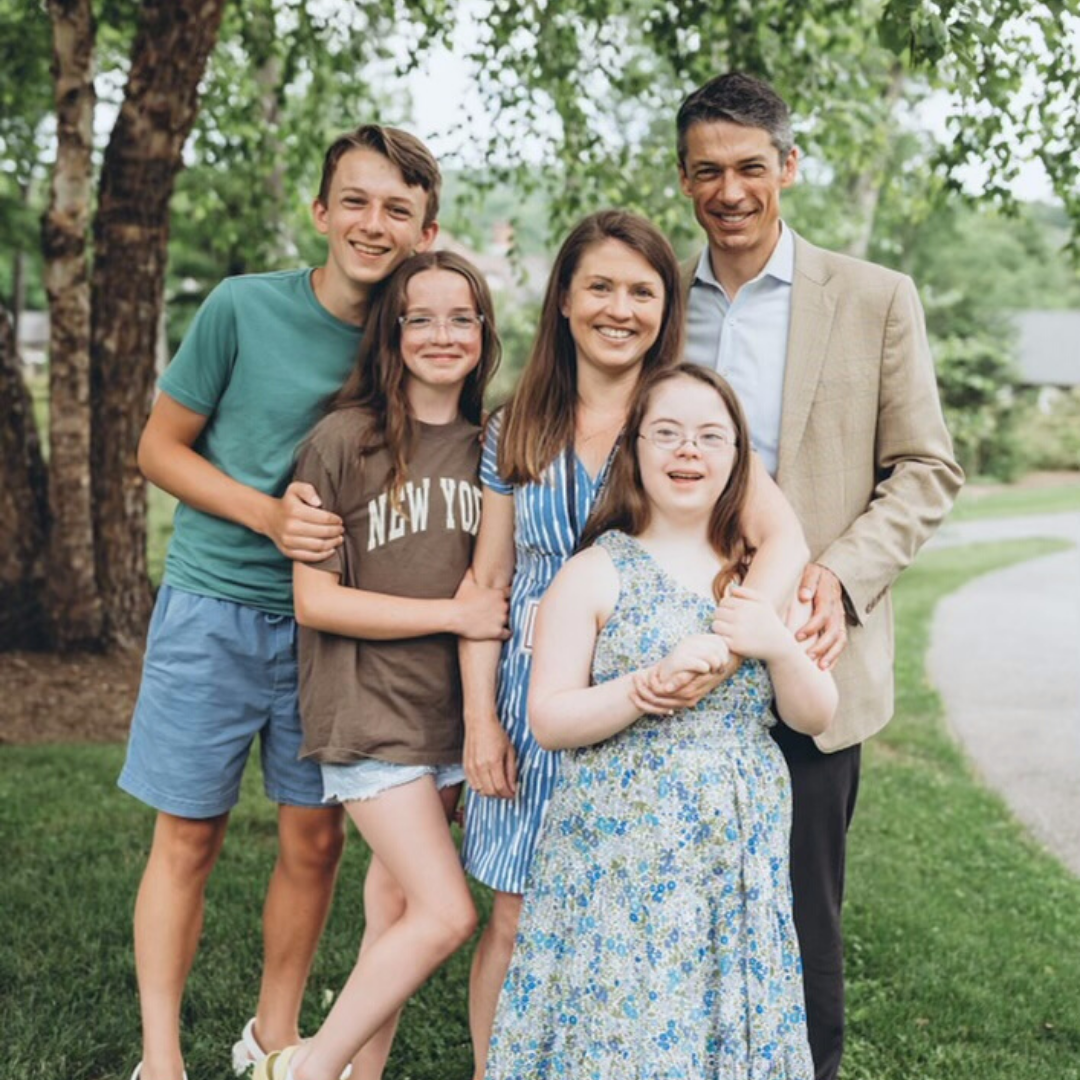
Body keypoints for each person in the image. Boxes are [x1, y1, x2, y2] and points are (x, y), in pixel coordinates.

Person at [118, 124, 441, 1080]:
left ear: (425, 231)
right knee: (188, 832)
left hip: (333, 633)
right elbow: (158, 449)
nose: (372, 224)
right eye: (356, 200)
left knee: (314, 835)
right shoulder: (240, 309)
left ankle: (273, 1040)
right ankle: (162, 1060)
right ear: (321, 210)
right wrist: (267, 516)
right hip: (214, 605)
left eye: (397, 209)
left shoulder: (413, 342)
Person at [461, 208, 813, 1078]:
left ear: (666, 309)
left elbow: (785, 542)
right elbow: (487, 584)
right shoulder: (518, 429)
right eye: (601, 287)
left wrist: (726, 647)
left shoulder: (681, 418)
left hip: (662, 698)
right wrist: (478, 722)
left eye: (643, 291)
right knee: (517, 915)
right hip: (543, 698)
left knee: (643, 921)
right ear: (565, 302)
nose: (620, 308)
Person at [677, 72, 964, 1080]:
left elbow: (928, 470)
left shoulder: (878, 298)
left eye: (751, 166)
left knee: (804, 912)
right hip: (682, 653)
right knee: (681, 908)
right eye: (708, 170)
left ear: (788, 168)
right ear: (685, 181)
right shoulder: (658, 302)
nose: (732, 189)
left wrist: (836, 582)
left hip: (812, 655)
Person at [250, 251, 508, 1080]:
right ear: (390, 336)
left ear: (483, 332)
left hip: (443, 716)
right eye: (420, 318)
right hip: (365, 715)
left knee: (395, 909)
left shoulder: (490, 447)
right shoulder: (341, 441)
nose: (442, 334)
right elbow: (315, 603)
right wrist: (453, 614)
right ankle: (300, 1068)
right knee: (444, 913)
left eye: (460, 317)